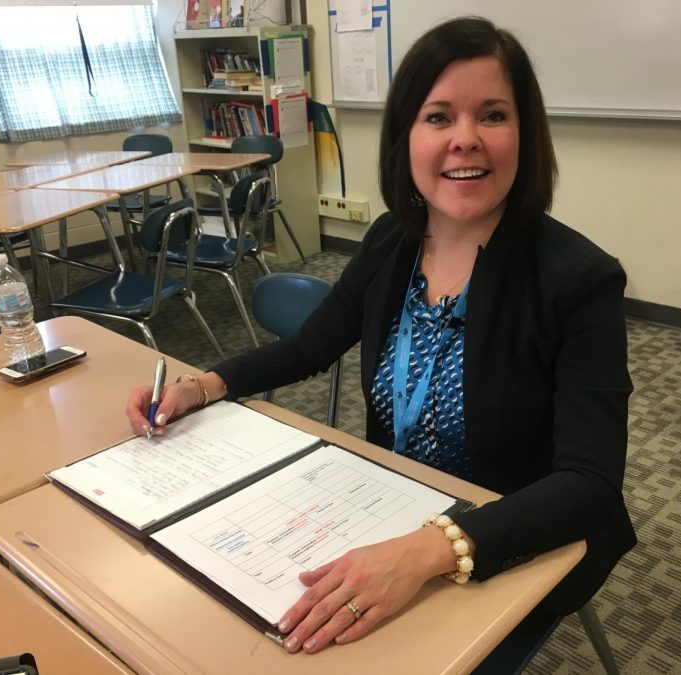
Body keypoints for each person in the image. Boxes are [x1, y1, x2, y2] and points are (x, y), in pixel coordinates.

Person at [126, 16, 636, 660]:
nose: (466, 140)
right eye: (439, 116)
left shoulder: (579, 280)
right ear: (406, 137)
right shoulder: (392, 242)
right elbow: (307, 349)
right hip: (384, 507)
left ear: (526, 135)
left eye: (494, 116)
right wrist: (202, 387)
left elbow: (590, 485)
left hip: (509, 539)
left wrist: (430, 550)